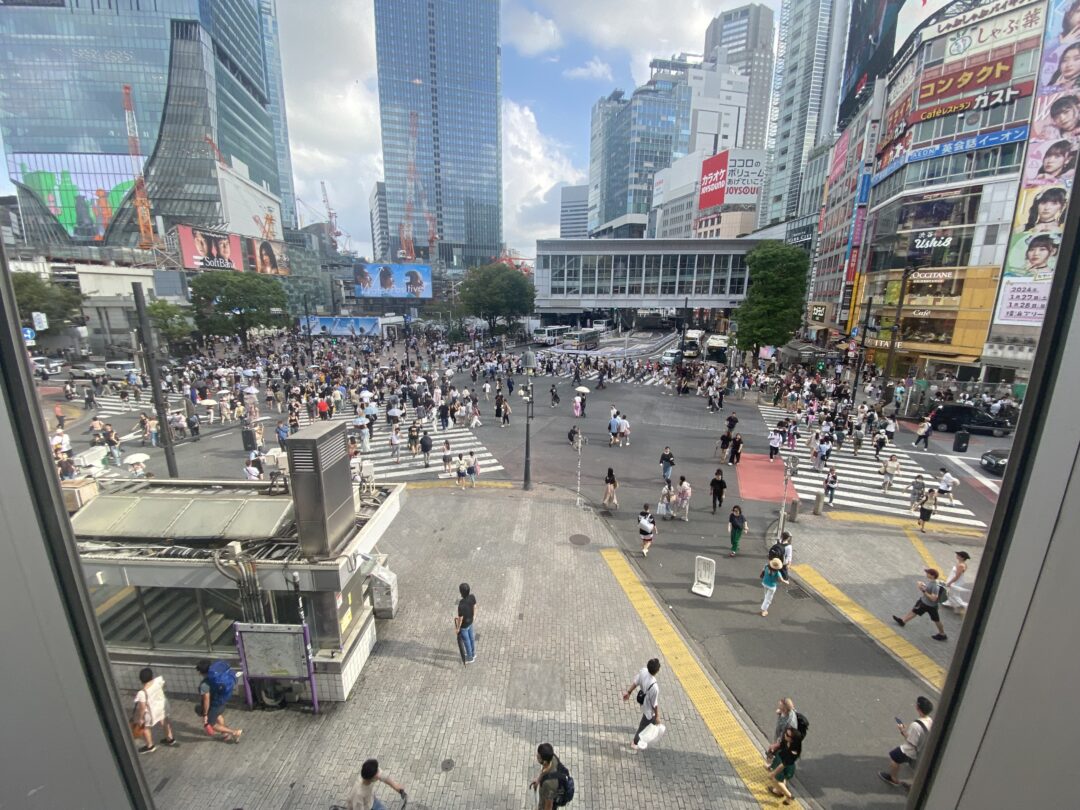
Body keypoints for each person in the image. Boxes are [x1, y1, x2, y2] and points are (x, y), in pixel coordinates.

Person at [879, 696, 934, 788]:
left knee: (894, 758)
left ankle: (893, 779)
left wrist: (902, 730)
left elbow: (910, 740)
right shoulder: (930, 721)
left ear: (918, 708)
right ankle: (912, 785)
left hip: (910, 750)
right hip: (922, 750)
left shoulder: (916, 725)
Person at [893, 568, 949, 641]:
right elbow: (930, 591)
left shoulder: (934, 585)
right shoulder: (933, 582)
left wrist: (922, 590)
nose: (926, 574)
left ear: (932, 575)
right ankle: (903, 621)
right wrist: (924, 586)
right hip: (927, 603)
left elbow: (933, 598)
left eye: (928, 573)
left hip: (928, 605)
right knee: (915, 611)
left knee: (935, 619)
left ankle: (942, 634)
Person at [131, 667, 176, 753]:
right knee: (165, 721)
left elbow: (142, 707)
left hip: (151, 712)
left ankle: (150, 746)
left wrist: (140, 718)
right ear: (151, 676)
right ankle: (170, 738)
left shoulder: (142, 693)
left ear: (141, 679)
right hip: (162, 706)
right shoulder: (158, 681)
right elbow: (163, 685)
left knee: (145, 727)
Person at [195, 659, 242, 743]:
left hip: (214, 705)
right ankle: (225, 734)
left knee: (211, 724)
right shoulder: (217, 675)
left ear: (201, 672)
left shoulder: (204, 685)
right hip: (223, 700)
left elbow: (206, 700)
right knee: (218, 715)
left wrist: (205, 714)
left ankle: (234, 732)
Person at [622, 658, 661, 749]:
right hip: (648, 709)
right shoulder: (655, 687)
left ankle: (653, 725)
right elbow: (654, 704)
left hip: (643, 701)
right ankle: (635, 742)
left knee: (650, 722)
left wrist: (629, 692)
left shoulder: (643, 671)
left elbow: (636, 682)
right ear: (657, 671)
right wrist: (657, 716)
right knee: (643, 725)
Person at [767, 724, 802, 804]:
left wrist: (773, 773)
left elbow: (783, 765)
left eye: (787, 734)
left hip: (786, 767)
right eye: (786, 733)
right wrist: (773, 747)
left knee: (776, 780)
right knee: (782, 779)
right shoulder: (787, 741)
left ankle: (789, 796)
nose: (785, 734)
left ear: (792, 739)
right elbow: (780, 746)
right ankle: (779, 792)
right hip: (783, 764)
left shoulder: (793, 752)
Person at [530, 743, 565, 810]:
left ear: (545, 761)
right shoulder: (552, 758)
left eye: (539, 756)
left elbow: (549, 807)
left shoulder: (549, 785)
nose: (537, 755)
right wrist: (538, 779)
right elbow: (545, 770)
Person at [455, 582, 477, 664]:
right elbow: (475, 606)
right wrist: (474, 616)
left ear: (461, 592)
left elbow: (460, 618)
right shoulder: (472, 597)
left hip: (464, 625)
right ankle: (473, 653)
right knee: (471, 638)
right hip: (471, 621)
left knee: (466, 641)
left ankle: (470, 657)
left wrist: (457, 628)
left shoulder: (461, 604)